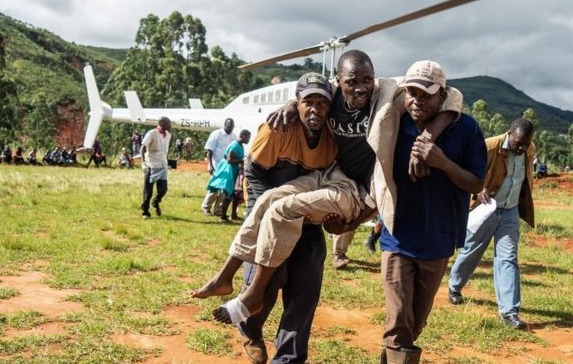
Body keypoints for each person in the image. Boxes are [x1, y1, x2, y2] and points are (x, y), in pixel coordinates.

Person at [191, 73, 376, 328]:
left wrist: (351, 224)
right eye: (307, 101)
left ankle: (253, 297)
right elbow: (254, 172)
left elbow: (383, 194)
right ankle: (225, 279)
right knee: (269, 201)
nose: (358, 90)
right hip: (325, 177)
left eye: (322, 103)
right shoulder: (286, 124)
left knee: (285, 223)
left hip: (352, 192)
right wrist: (293, 103)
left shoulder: (379, 110)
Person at [270, 50, 463, 270]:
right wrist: (291, 105)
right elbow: (308, 97)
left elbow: (453, 93)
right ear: (338, 79)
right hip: (336, 175)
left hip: (369, 181)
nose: (361, 88)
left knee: (294, 208)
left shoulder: (387, 93)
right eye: (352, 81)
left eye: (367, 80)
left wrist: (425, 139)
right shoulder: (331, 94)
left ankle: (274, 271)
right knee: (277, 201)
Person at [366, 60, 486, 364]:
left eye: (426, 95)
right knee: (397, 322)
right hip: (398, 237)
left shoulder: (466, 129)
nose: (417, 101)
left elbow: (476, 182)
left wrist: (442, 162)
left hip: (438, 240)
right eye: (412, 93)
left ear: (442, 95)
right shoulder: (395, 122)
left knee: (414, 323)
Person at [448, 118, 535, 330]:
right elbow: (465, 170)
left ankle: (509, 312)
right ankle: (454, 286)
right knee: (472, 250)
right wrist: (477, 189)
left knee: (508, 257)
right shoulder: (489, 146)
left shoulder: (529, 148)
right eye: (518, 143)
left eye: (526, 144)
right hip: (486, 209)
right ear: (510, 134)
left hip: (510, 211)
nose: (522, 148)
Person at [206, 129, 251, 222]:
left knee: (235, 193)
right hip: (228, 169)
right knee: (227, 193)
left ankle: (233, 215)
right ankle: (223, 217)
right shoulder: (234, 145)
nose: (249, 140)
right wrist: (242, 160)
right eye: (248, 138)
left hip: (234, 170)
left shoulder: (240, 145)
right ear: (244, 136)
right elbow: (229, 160)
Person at [201, 118, 237, 216]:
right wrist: (211, 165)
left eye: (232, 126)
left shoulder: (234, 136)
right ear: (224, 124)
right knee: (215, 188)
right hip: (216, 165)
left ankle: (218, 210)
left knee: (225, 189)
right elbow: (209, 151)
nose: (230, 128)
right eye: (229, 126)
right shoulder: (216, 134)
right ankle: (206, 207)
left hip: (227, 166)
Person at [140, 117, 172, 219]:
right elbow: (143, 148)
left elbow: (165, 151)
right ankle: (145, 211)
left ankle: (155, 201)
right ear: (162, 123)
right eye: (168, 124)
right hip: (152, 165)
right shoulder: (151, 133)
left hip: (163, 165)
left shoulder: (168, 135)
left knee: (163, 189)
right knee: (148, 190)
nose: (170, 126)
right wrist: (143, 163)